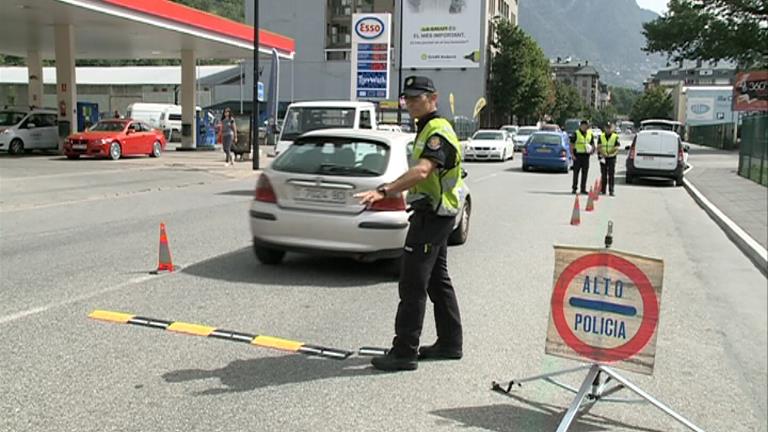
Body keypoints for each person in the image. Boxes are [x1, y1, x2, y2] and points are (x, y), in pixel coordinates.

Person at [355, 76, 464, 372]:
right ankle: (450, 343)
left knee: (413, 283)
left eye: (418, 97)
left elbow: (422, 171)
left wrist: (383, 191)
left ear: (433, 98)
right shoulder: (426, 128)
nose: (411, 103)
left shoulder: (437, 132)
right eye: (408, 98)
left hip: (432, 216)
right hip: (437, 215)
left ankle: (404, 351)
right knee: (437, 281)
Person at [569, 120, 595, 194]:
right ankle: (574, 188)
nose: (585, 127)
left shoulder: (590, 133)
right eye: (583, 125)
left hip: (586, 156)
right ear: (580, 126)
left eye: (586, 125)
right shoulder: (576, 133)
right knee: (576, 173)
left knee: (585, 173)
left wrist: (592, 150)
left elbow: (592, 144)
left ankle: (583, 189)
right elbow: (571, 144)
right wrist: (572, 155)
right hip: (577, 155)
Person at [598, 122, 621, 196]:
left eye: (609, 128)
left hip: (611, 157)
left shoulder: (615, 136)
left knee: (611, 174)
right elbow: (599, 146)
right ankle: (603, 190)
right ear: (604, 128)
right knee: (603, 174)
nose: (608, 129)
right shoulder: (601, 136)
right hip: (603, 157)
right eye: (607, 128)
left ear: (612, 128)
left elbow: (617, 147)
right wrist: (604, 153)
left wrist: (611, 153)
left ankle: (611, 190)